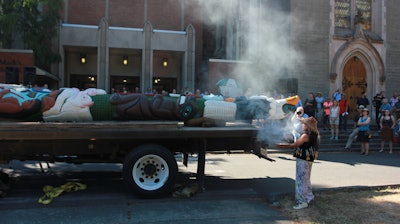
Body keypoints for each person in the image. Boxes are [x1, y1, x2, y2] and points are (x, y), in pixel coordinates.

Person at [276, 117, 320, 210]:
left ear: (307, 126)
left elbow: (295, 145)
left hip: (303, 159)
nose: (302, 125)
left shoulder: (305, 136)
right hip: (308, 158)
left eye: (304, 124)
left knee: (301, 180)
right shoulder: (314, 133)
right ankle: (308, 197)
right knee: (306, 179)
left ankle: (302, 201)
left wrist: (283, 146)